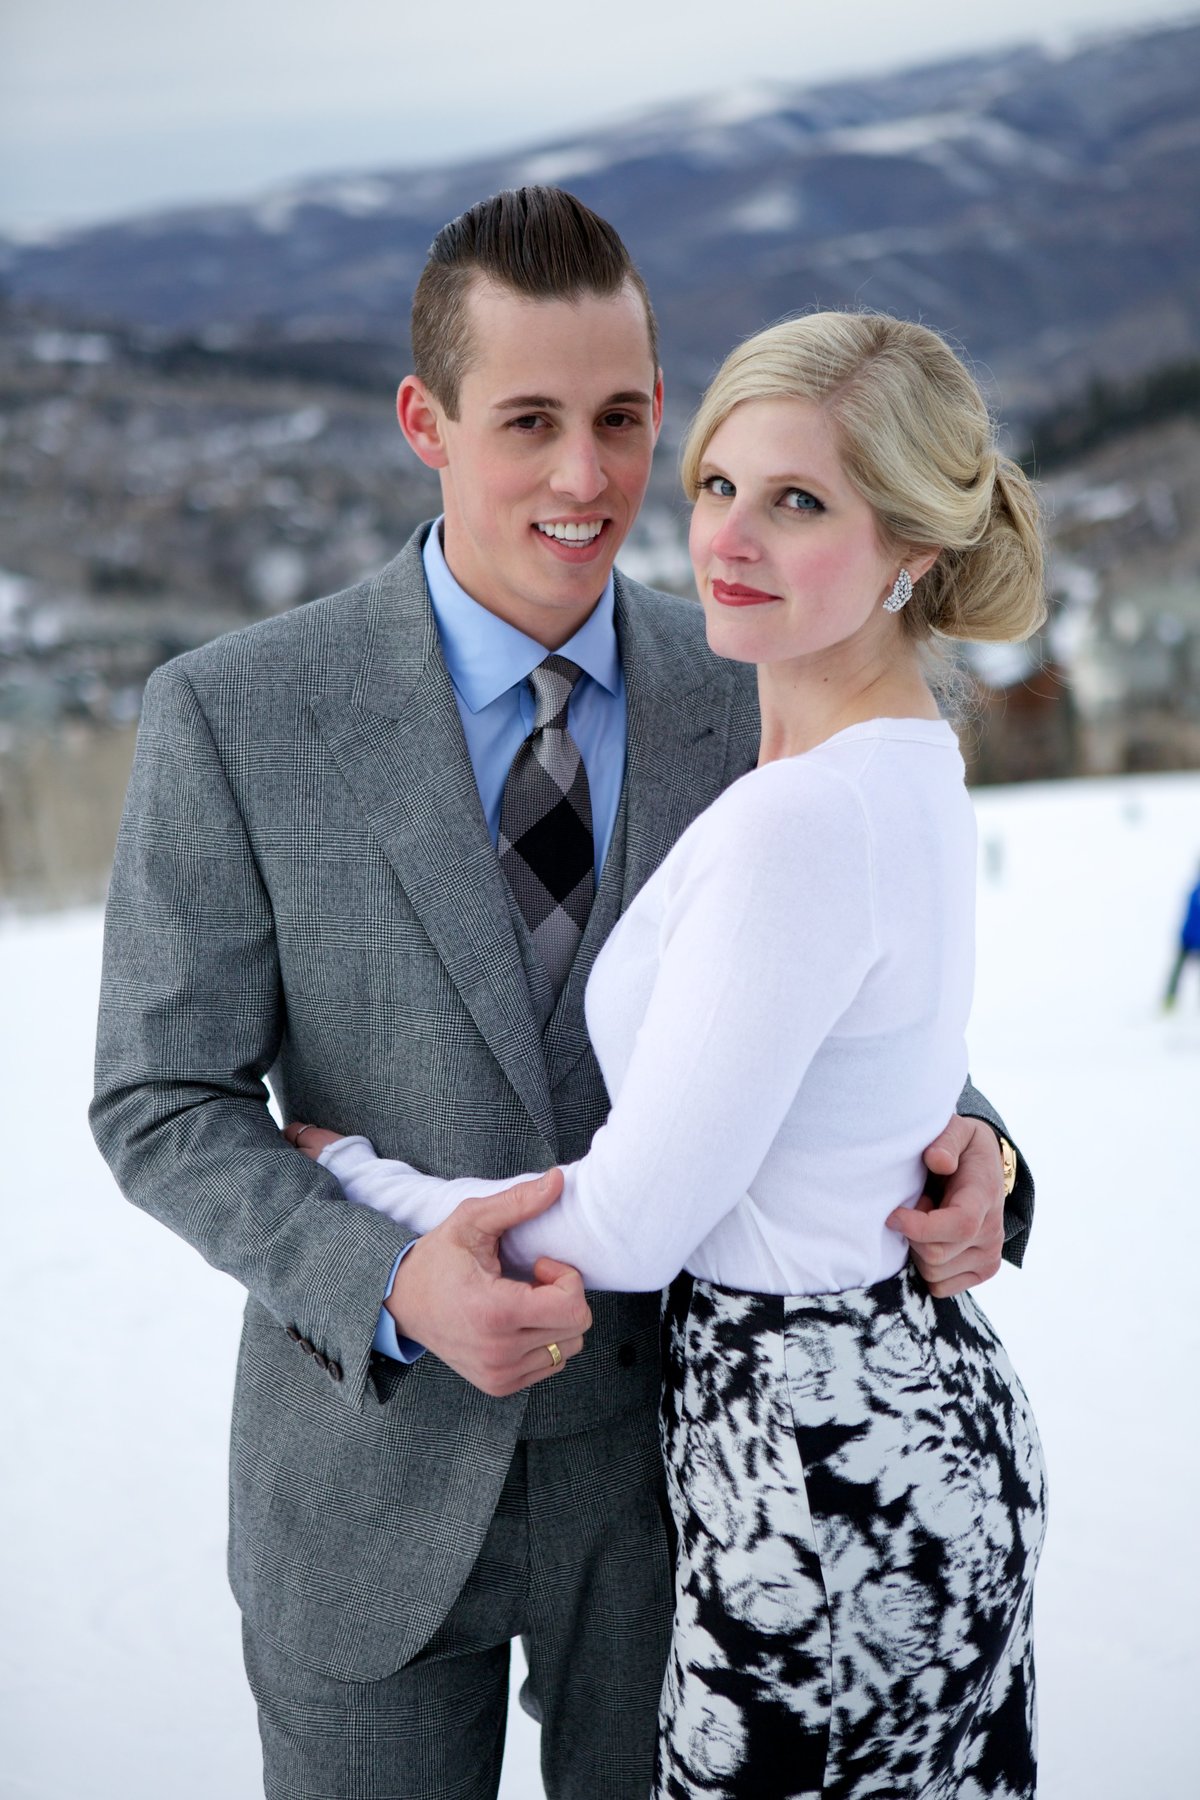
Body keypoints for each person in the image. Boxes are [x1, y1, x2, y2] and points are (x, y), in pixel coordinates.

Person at [91, 190, 1032, 1800]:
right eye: (528, 422)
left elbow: (851, 992)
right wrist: (388, 1273)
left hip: (684, 1504)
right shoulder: (234, 717)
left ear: (661, 411)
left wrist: (983, 1149)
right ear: (425, 422)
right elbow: (157, 1101)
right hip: (365, 1482)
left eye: (617, 419)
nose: (585, 479)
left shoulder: (760, 674)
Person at [1163, 868, 1200, 1009]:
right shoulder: (1195, 891)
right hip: (1187, 938)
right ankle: (1169, 999)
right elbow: (1190, 918)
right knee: (1177, 971)